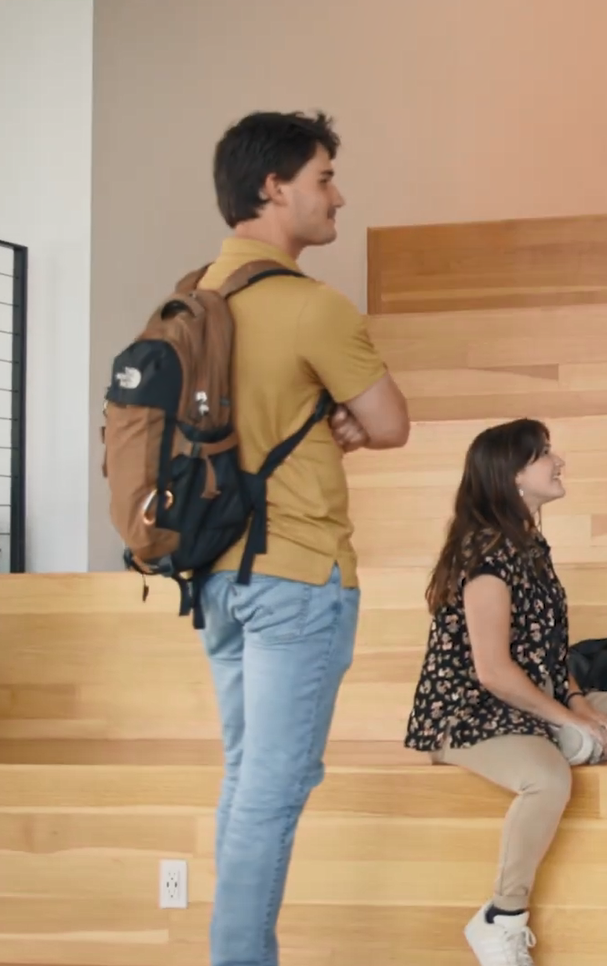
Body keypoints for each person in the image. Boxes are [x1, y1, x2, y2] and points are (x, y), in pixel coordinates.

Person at [194, 110, 411, 966]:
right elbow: (391, 422)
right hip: (296, 576)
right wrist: (345, 422)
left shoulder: (195, 299)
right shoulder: (312, 308)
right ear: (273, 187)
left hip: (215, 578)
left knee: (248, 781)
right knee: (273, 794)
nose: (338, 195)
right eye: (324, 177)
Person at [405, 418, 607, 966]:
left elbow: (548, 649)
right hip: (472, 715)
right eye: (544, 454)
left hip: (535, 705)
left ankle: (564, 735)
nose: (559, 461)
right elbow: (494, 672)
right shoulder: (485, 555)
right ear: (513, 476)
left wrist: (577, 704)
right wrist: (572, 720)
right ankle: (501, 919)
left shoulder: (531, 545)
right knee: (547, 779)